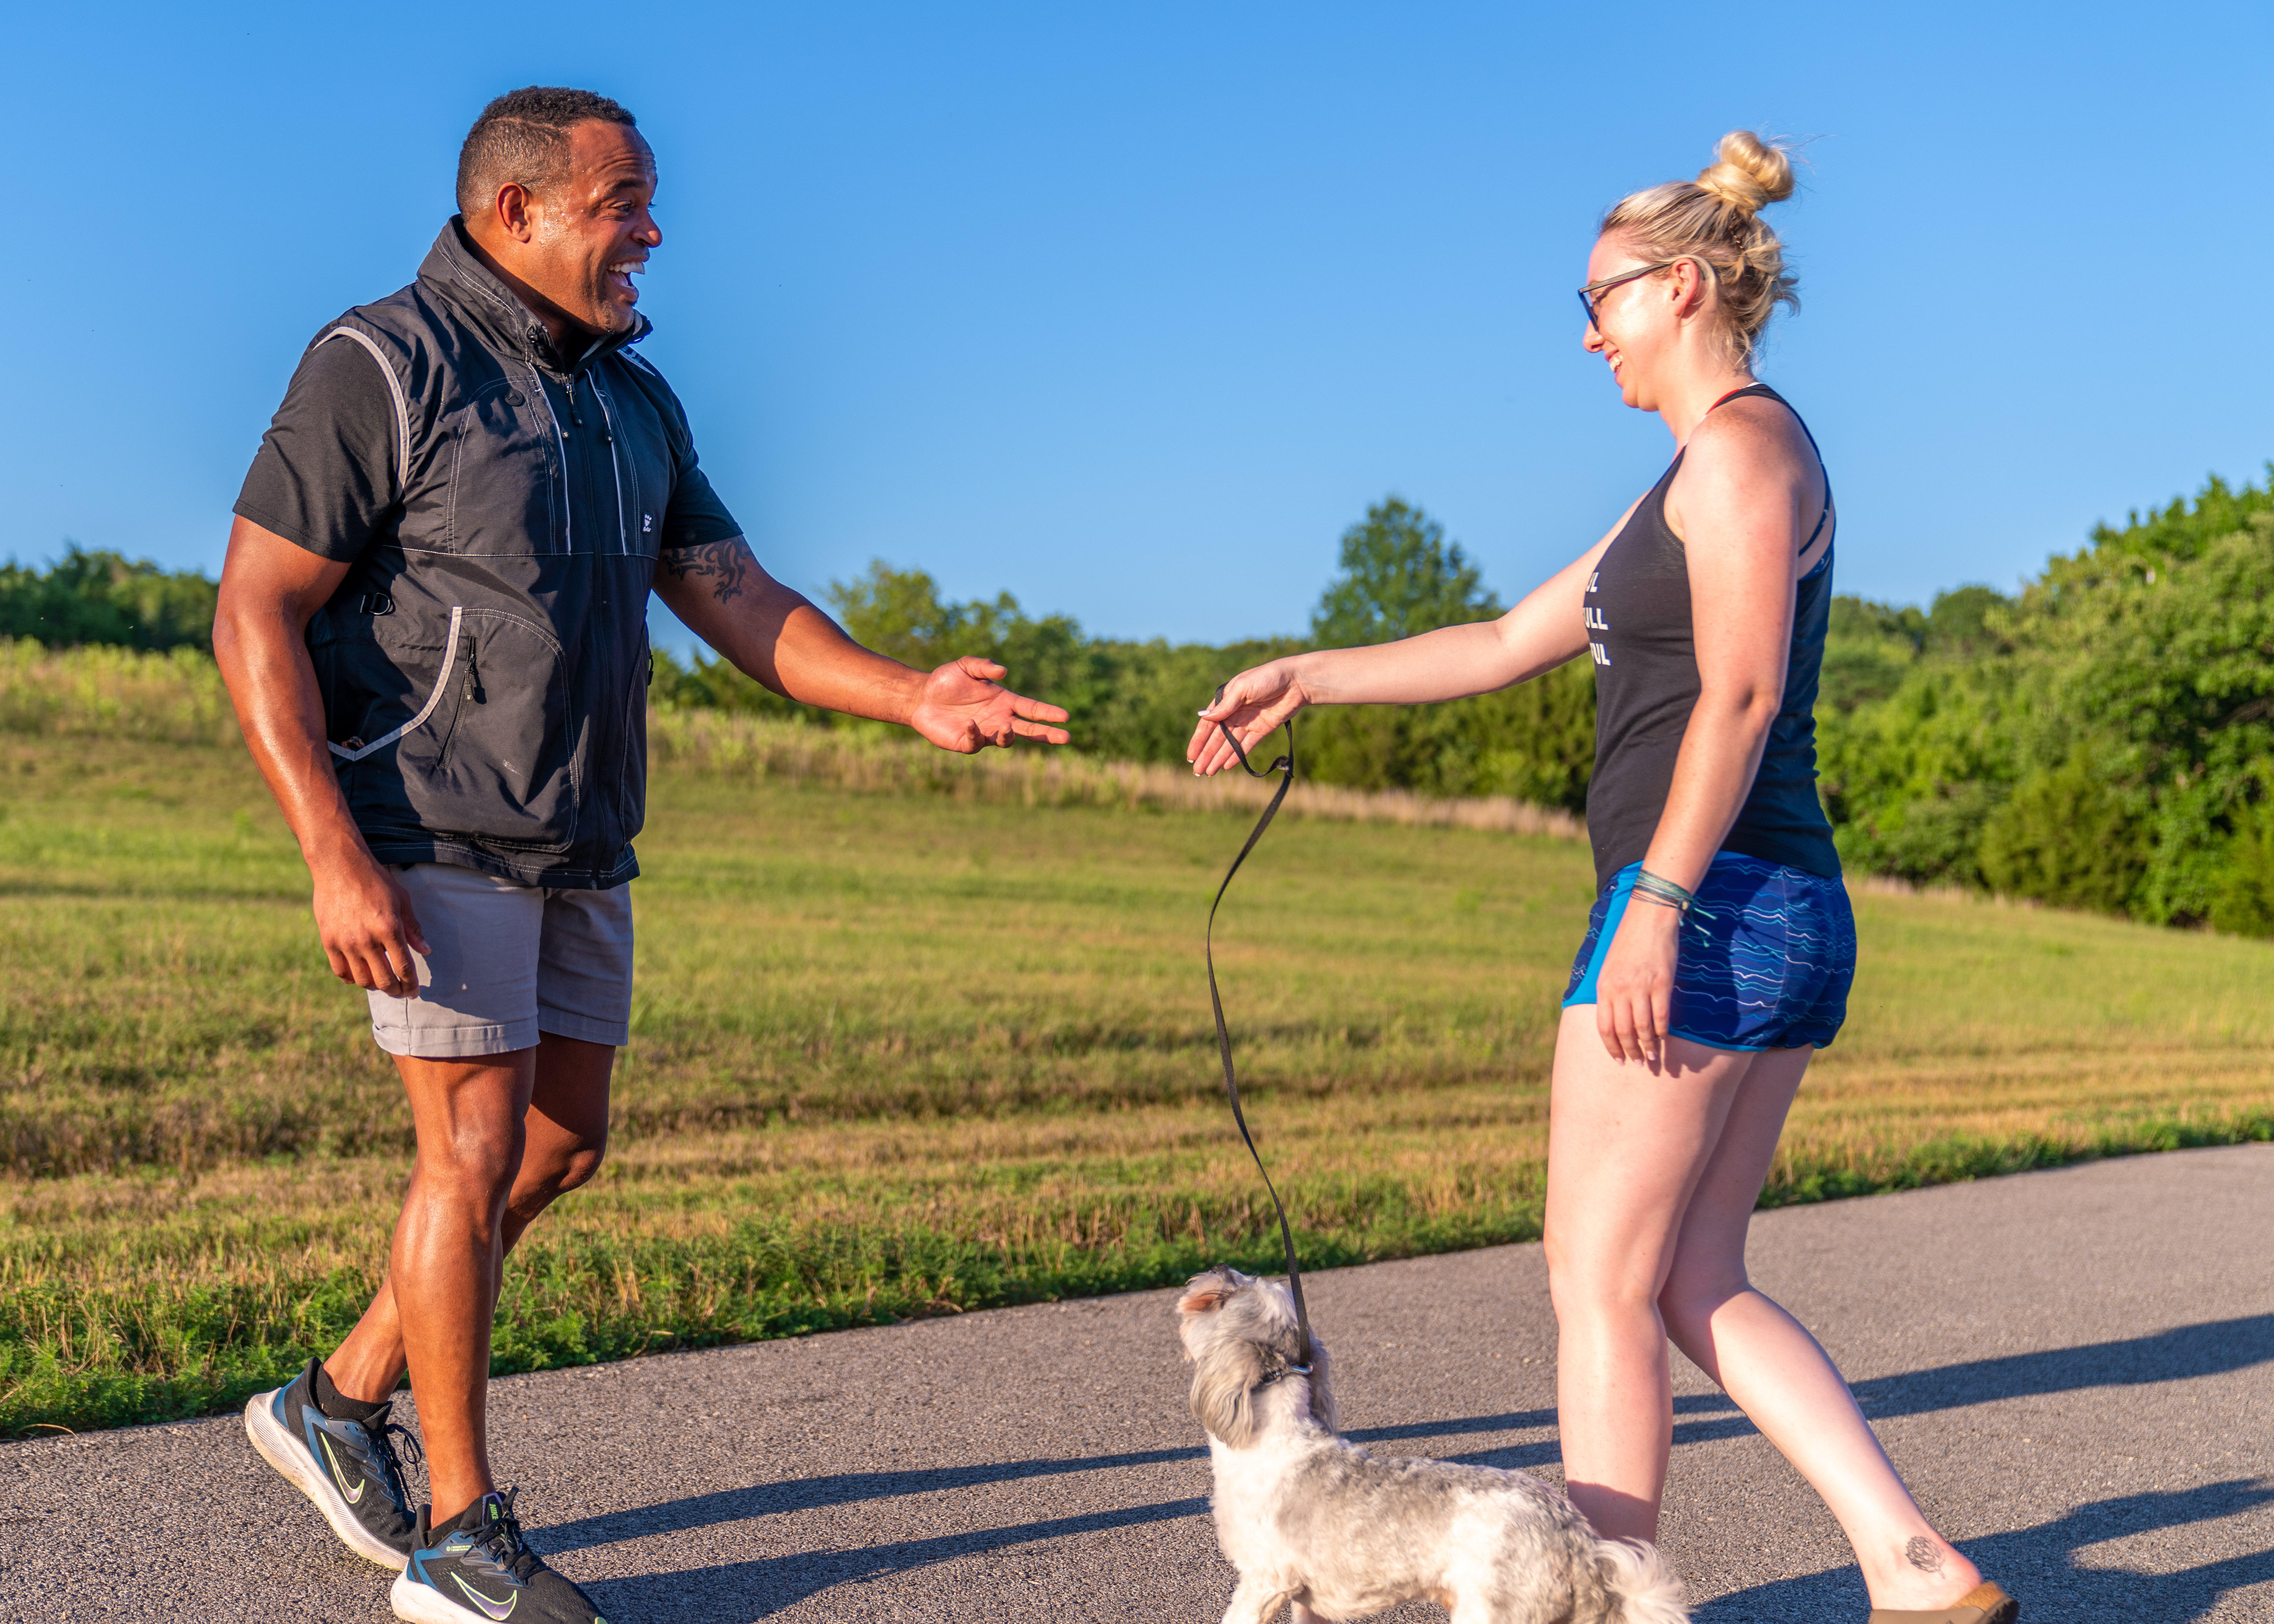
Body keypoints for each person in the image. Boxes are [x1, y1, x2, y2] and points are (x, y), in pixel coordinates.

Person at [215, 86, 1068, 1624]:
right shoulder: (383, 363)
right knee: (465, 1160)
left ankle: (336, 1401)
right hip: (430, 821)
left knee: (561, 1146)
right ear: (514, 211)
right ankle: (462, 1542)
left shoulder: (631, 403)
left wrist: (906, 691)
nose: (652, 232)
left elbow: (733, 591)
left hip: (581, 833)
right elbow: (254, 608)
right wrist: (331, 852)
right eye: (623, 203)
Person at [1188, 133, 2016, 1624]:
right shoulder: (1686, 481)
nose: (1586, 334)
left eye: (1599, 300)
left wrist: (1652, 903)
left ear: (1678, 286)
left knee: (1596, 1283)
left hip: (1712, 905)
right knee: (1693, 1276)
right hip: (1754, 908)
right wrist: (1302, 675)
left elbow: (1742, 696)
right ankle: (1913, 1565)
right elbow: (1501, 642)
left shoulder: (1747, 451)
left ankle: (1594, 1605)